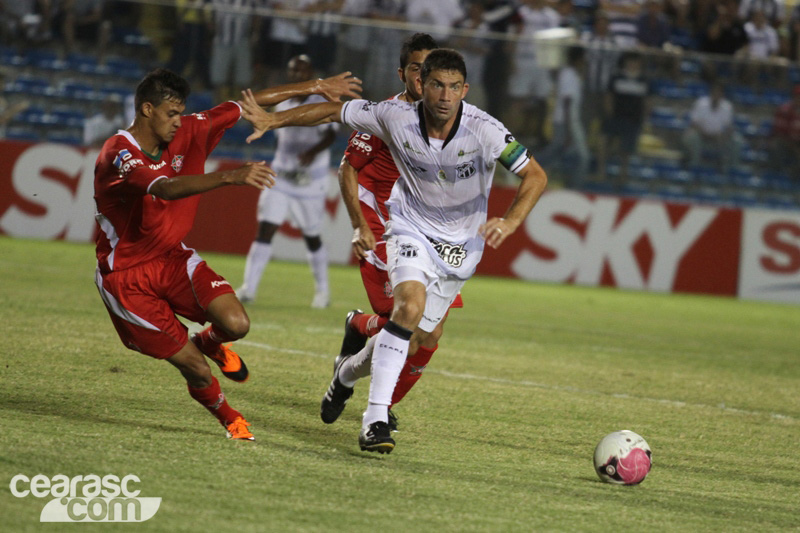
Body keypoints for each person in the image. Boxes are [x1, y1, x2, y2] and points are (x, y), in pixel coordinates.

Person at [239, 48, 548, 454]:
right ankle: (375, 420)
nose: (445, 95)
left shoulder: (485, 130)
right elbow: (334, 112)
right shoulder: (393, 115)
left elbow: (535, 175)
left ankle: (346, 375)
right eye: (437, 85)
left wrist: (509, 221)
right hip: (409, 228)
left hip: (460, 247)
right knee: (407, 309)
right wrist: (273, 120)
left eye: (454, 87)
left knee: (421, 337)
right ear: (422, 85)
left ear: (465, 90)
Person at [93, 67, 361, 441]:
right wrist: (229, 176)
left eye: (181, 112)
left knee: (237, 324)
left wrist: (317, 86)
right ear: (146, 109)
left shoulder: (188, 129)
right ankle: (231, 419)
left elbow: (247, 103)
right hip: (126, 279)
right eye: (171, 113)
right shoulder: (118, 153)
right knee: (197, 370)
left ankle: (209, 342)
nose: (178, 121)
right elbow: (165, 188)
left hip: (172, 258)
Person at [321, 33, 457, 433]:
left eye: (430, 71)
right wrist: (359, 224)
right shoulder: (384, 115)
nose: (423, 77)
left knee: (430, 333)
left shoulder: (448, 117)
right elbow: (348, 168)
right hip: (383, 224)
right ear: (403, 74)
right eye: (416, 69)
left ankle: (361, 340)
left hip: (427, 230)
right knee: (405, 322)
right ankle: (373, 407)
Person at [237, 55, 338, 308]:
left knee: (312, 237)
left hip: (310, 181)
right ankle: (248, 289)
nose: (296, 75)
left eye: (301, 71)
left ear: (310, 73)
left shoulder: (322, 101)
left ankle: (323, 292)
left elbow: (330, 135)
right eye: (293, 71)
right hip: (280, 177)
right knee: (265, 229)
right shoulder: (281, 101)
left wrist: (312, 151)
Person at [536, 46, 589, 188]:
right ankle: (575, 187)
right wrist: (569, 129)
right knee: (579, 156)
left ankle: (529, 168)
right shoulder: (568, 75)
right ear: (578, 59)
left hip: (568, 120)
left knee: (558, 151)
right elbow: (567, 101)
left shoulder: (572, 74)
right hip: (566, 120)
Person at [597, 52, 649, 184]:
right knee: (603, 141)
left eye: (635, 62)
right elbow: (608, 96)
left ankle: (622, 175)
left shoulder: (644, 80)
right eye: (630, 61)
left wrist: (644, 117)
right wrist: (609, 113)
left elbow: (647, 101)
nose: (632, 64)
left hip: (632, 120)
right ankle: (601, 172)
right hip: (615, 117)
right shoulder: (616, 77)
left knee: (626, 150)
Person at [681, 81, 741, 173]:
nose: (716, 95)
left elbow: (729, 127)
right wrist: (705, 134)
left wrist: (723, 136)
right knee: (692, 137)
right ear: (711, 93)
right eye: (714, 92)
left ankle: (731, 171)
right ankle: (694, 167)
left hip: (719, 138)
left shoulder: (727, 106)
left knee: (737, 141)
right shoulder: (701, 103)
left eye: (719, 93)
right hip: (701, 135)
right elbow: (693, 124)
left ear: (722, 94)